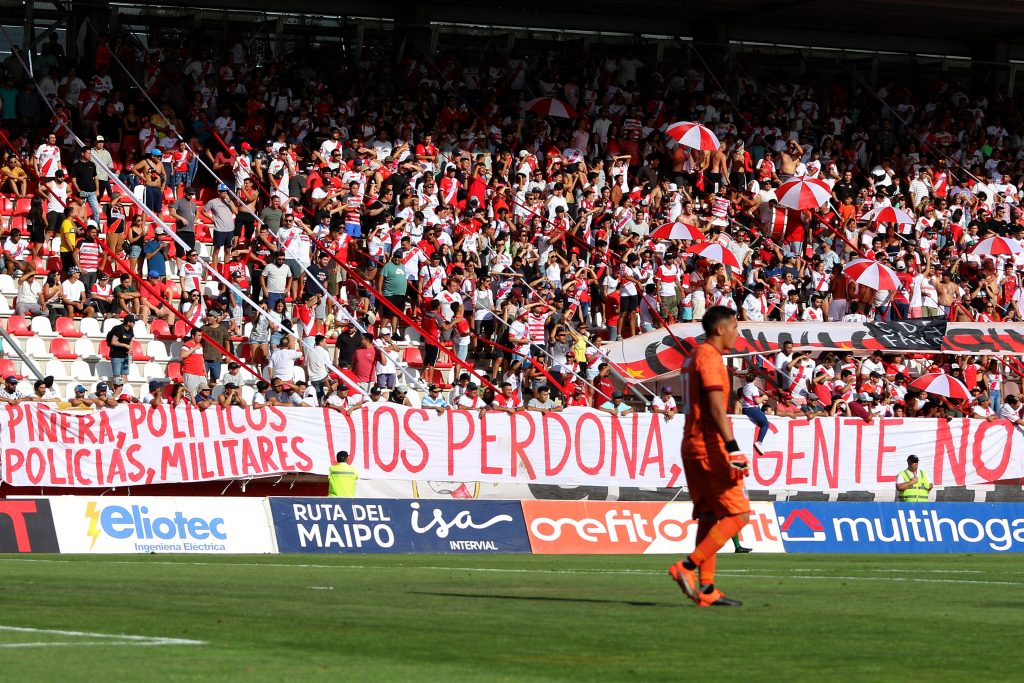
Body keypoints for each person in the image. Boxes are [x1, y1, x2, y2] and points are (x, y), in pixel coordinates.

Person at [668, 306, 747, 608]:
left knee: (709, 517)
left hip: (691, 443)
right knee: (739, 514)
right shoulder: (711, 358)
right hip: (709, 447)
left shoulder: (692, 357)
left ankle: (707, 588)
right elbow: (716, 408)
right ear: (719, 329)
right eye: (734, 327)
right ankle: (686, 567)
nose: (736, 333)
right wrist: (732, 447)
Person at [105, 314, 135, 381]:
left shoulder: (131, 329)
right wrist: (125, 345)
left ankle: (124, 390)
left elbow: (131, 340)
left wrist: (130, 348)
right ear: (128, 322)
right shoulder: (118, 329)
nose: (134, 323)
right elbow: (113, 341)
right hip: (116, 355)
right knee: (117, 376)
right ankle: (116, 390)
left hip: (125, 355)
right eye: (133, 322)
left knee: (125, 375)